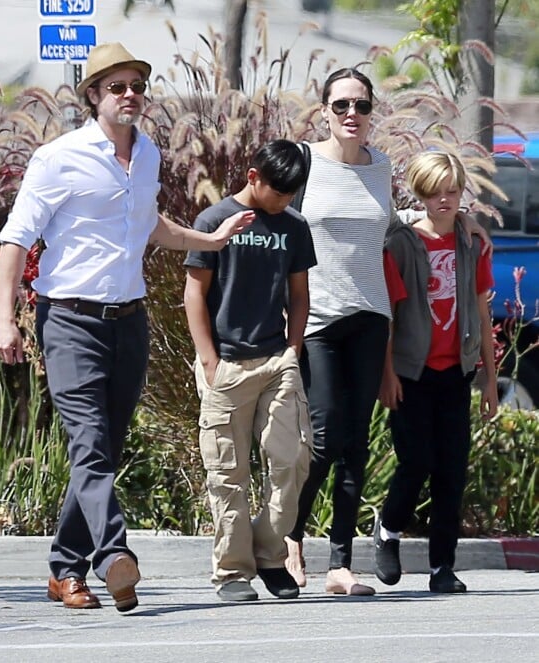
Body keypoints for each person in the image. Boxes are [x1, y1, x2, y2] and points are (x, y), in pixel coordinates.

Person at [0, 42, 253, 612]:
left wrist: (207, 240)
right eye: (117, 86)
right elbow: (15, 238)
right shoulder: (60, 158)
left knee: (104, 452)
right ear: (93, 96)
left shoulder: (150, 155)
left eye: (138, 84)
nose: (130, 94)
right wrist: (7, 320)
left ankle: (65, 570)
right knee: (89, 446)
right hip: (70, 322)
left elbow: (146, 222)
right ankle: (114, 556)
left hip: (129, 323)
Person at [283, 67, 490, 596]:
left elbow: (394, 221)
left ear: (373, 112)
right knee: (327, 438)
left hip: (372, 316)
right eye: (341, 106)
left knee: (355, 443)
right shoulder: (305, 162)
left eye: (362, 106)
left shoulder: (379, 167)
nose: (352, 115)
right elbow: (269, 210)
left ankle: (340, 562)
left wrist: (459, 213)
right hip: (322, 318)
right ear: (324, 111)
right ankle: (289, 538)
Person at [183, 139, 317, 602]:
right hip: (226, 365)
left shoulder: (295, 227)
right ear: (253, 176)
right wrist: (209, 360)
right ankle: (232, 572)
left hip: (277, 359)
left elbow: (299, 294)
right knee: (227, 472)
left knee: (292, 459)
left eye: (291, 195)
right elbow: (194, 294)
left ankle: (270, 555)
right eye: (278, 192)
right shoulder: (213, 221)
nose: (284, 201)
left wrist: (293, 350)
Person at [374, 150, 498, 593]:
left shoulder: (472, 243)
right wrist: (386, 374)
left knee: (451, 469)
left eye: (452, 191)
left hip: (455, 372)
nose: (445, 201)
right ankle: (387, 531)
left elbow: (483, 312)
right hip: (411, 370)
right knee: (416, 462)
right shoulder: (403, 245)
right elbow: (389, 315)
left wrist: (488, 377)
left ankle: (442, 566)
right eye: (435, 193)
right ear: (421, 195)